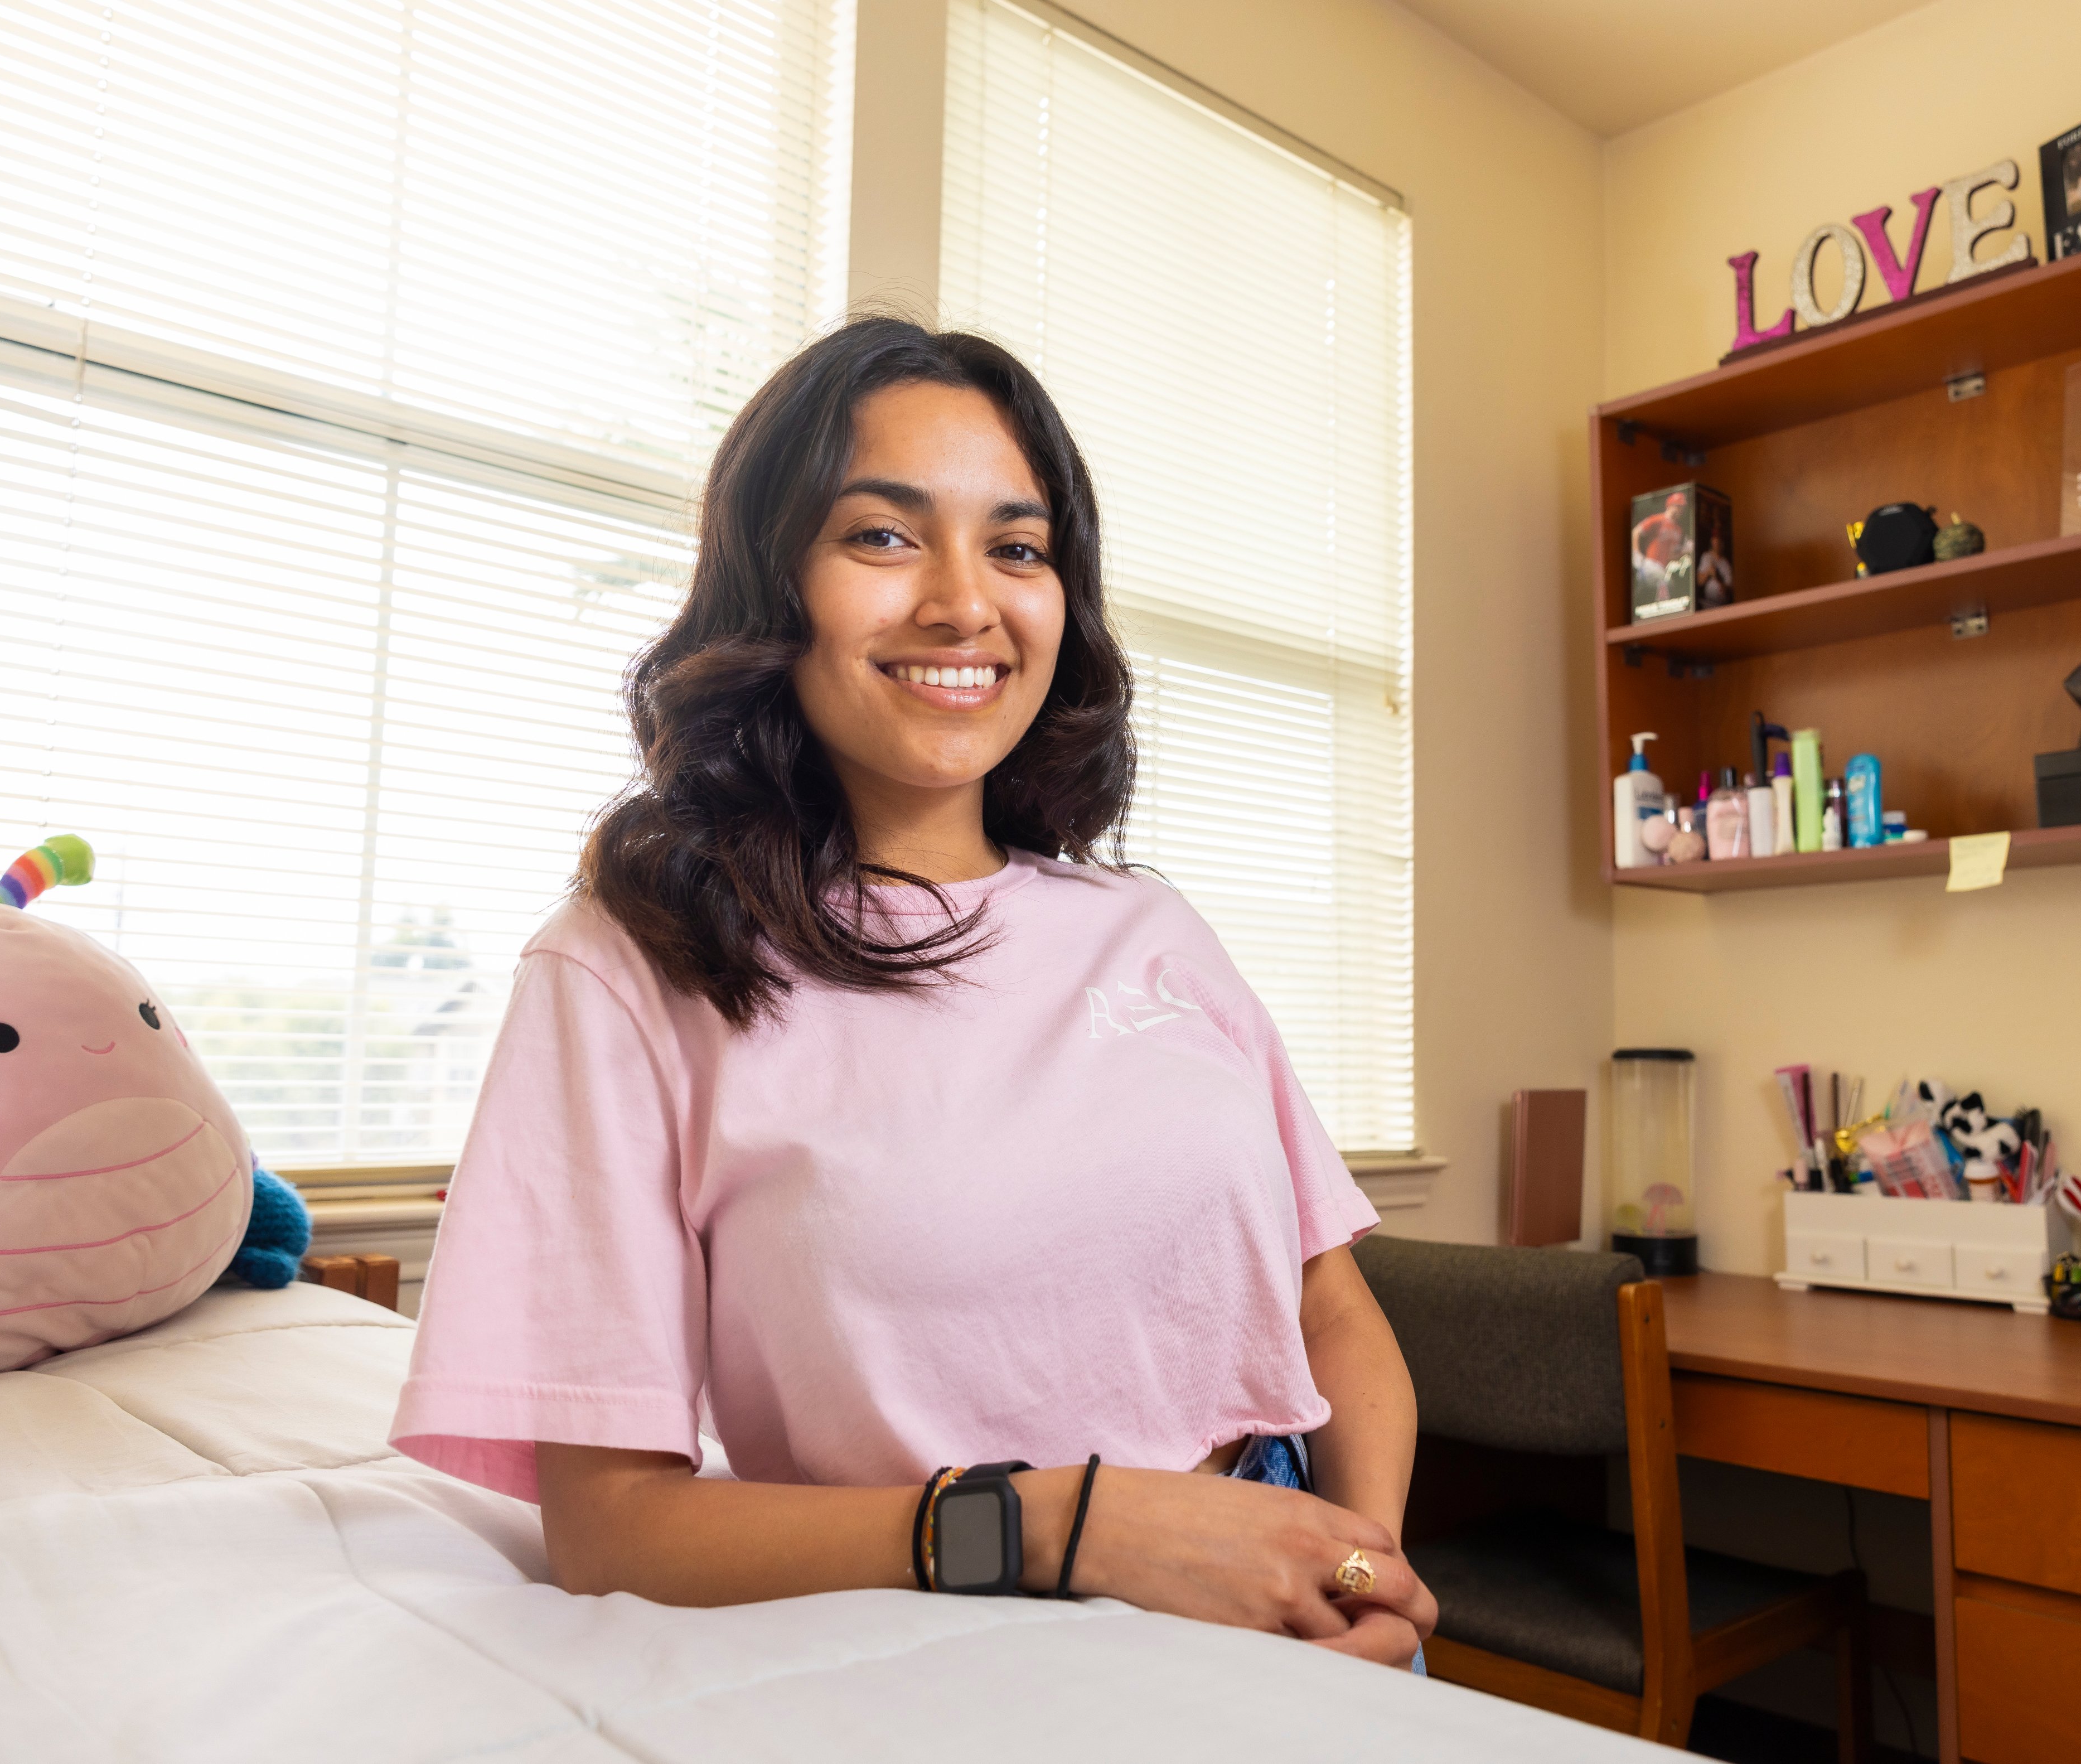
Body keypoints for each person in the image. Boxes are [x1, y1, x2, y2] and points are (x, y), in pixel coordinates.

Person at [390, 317, 1436, 1671]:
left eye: (1017, 547)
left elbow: (1330, 1308)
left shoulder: (1155, 929)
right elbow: (610, 1531)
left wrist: (1353, 1566)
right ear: (774, 587)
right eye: (882, 537)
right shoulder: (633, 960)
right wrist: (1070, 1529)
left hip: (1296, 1588)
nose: (964, 603)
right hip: (940, 1623)